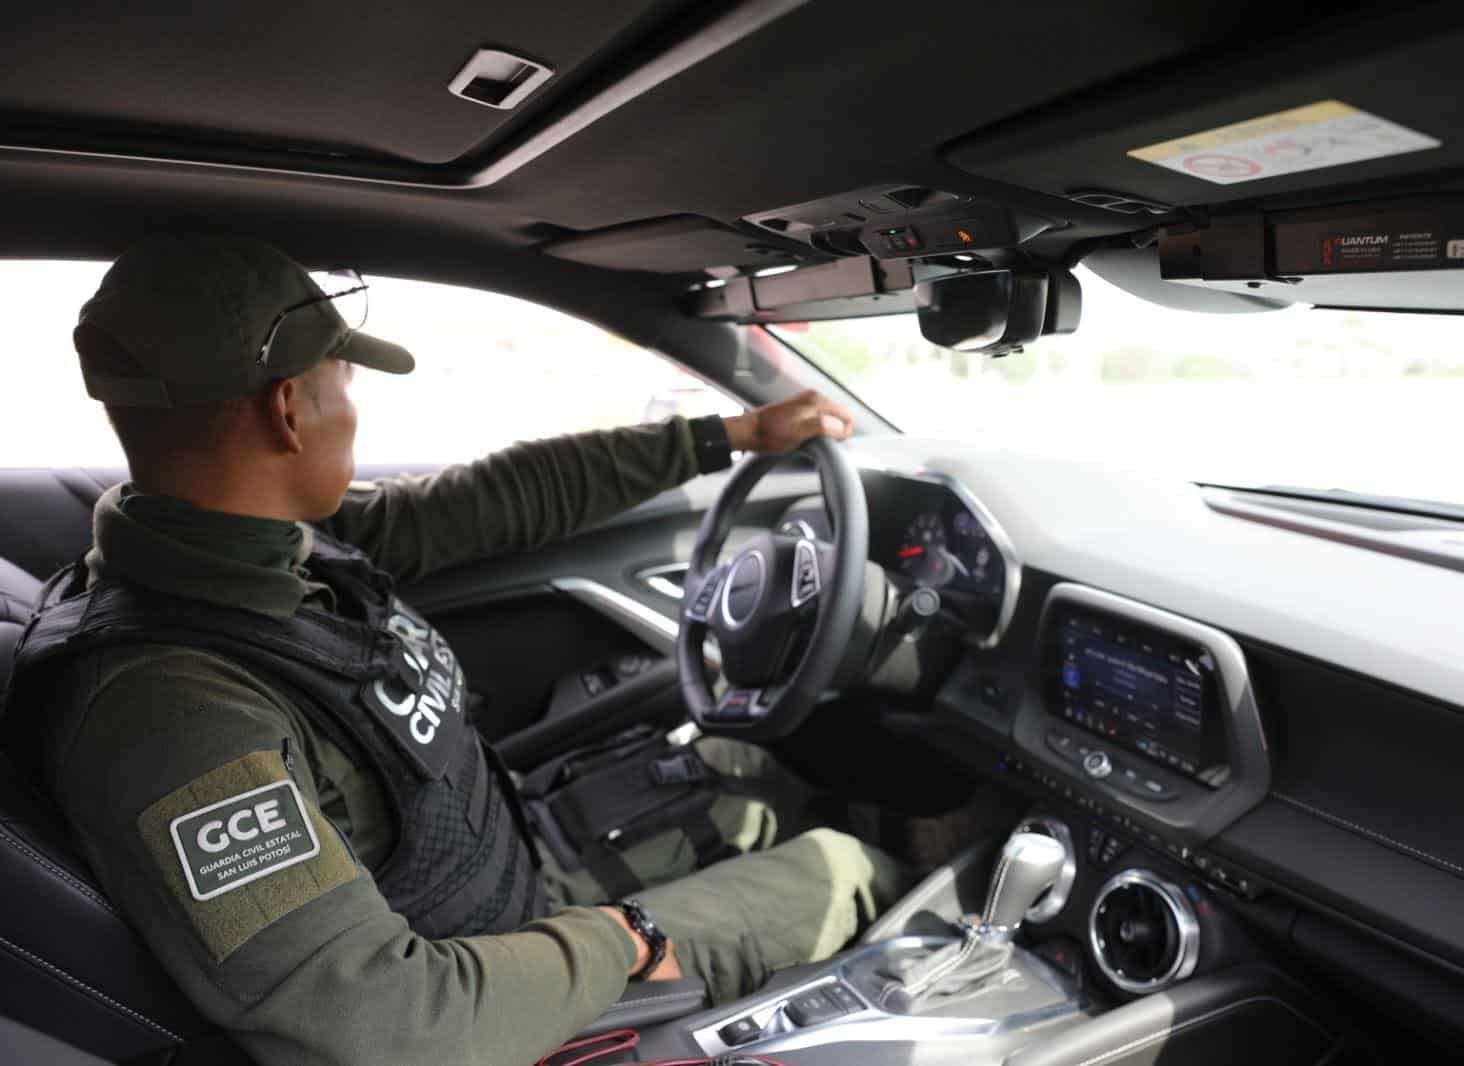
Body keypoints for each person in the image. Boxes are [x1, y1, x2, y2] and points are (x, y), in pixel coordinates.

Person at [4, 236, 906, 1066]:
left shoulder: (265, 548)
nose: (352, 408)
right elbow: (384, 1017)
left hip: (512, 867)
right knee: (851, 866)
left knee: (754, 765)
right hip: (503, 986)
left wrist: (731, 436)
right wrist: (620, 940)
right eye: (342, 382)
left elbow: (495, 497)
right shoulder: (170, 713)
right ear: (288, 411)